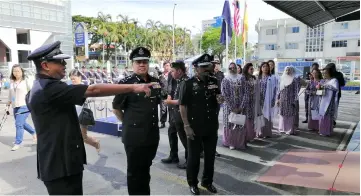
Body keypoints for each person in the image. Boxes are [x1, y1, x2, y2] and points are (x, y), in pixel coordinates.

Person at [26, 41, 153, 195]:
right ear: (45, 65)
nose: (65, 65)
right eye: (60, 62)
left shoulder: (38, 86)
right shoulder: (50, 88)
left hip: (57, 162)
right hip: (61, 165)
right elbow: (93, 89)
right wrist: (134, 87)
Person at [112, 46, 161, 195]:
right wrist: (127, 123)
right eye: (138, 61)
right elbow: (116, 108)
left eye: (145, 61)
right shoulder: (127, 83)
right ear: (132, 64)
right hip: (134, 137)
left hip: (151, 135)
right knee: (134, 173)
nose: (142, 64)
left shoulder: (155, 82)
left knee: (145, 170)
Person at [179, 54, 220, 195]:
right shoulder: (188, 84)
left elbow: (218, 98)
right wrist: (186, 126)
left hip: (211, 125)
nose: (206, 69)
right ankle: (193, 183)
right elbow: (182, 106)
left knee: (210, 157)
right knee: (194, 157)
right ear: (196, 68)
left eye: (207, 66)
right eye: (203, 67)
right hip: (194, 126)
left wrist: (220, 99)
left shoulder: (214, 81)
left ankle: (207, 182)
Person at [162, 61, 189, 169]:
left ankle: (189, 160)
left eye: (173, 71)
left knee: (185, 137)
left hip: (182, 113)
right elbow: (170, 89)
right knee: (171, 132)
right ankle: (173, 155)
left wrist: (169, 102)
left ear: (179, 71)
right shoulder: (178, 80)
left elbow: (182, 101)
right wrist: (169, 97)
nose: (171, 73)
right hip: (175, 112)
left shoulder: (185, 82)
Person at [69, 69, 100, 153]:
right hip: (72, 116)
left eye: (74, 78)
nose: (72, 81)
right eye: (71, 79)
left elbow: (93, 97)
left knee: (84, 137)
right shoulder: (70, 88)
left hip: (82, 116)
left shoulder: (85, 87)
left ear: (79, 77)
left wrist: (86, 99)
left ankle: (95, 143)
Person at [8, 64, 37, 151]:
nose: (16, 73)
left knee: (18, 124)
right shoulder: (12, 82)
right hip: (15, 105)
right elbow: (10, 94)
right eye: (14, 71)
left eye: (18, 71)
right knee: (21, 123)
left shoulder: (26, 81)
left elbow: (32, 92)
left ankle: (18, 143)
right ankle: (33, 132)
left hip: (24, 105)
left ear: (22, 72)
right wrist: (8, 104)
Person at [221, 62, 247, 150]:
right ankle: (230, 142)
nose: (232, 69)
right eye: (230, 68)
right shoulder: (225, 80)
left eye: (234, 67)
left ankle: (240, 142)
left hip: (240, 106)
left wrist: (241, 106)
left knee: (239, 124)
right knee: (230, 124)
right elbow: (224, 95)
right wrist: (233, 108)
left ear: (237, 68)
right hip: (229, 108)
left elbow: (245, 92)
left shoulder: (242, 78)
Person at [277, 66, 300, 135]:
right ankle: (282, 128)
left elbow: (296, 91)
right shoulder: (282, 79)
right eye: (286, 70)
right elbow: (279, 90)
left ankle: (289, 129)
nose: (288, 71)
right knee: (282, 113)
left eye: (289, 70)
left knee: (290, 114)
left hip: (291, 100)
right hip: (283, 99)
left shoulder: (294, 80)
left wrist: (295, 100)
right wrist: (278, 99)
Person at [318, 64, 339, 136]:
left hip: (329, 102)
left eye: (325, 73)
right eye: (323, 73)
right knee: (322, 115)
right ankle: (322, 131)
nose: (324, 74)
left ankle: (327, 132)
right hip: (323, 101)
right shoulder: (324, 81)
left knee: (327, 116)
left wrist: (326, 86)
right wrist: (319, 88)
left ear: (330, 73)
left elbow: (335, 88)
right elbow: (320, 91)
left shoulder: (334, 80)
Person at [258, 62, 277, 138]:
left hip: (268, 100)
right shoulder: (258, 78)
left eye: (267, 66)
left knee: (267, 116)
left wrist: (273, 100)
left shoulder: (272, 77)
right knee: (260, 116)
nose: (265, 68)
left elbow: (275, 89)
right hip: (260, 100)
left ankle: (267, 132)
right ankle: (260, 132)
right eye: (263, 66)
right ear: (261, 68)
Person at [240, 63, 257, 142]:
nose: (252, 70)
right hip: (245, 102)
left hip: (252, 102)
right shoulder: (243, 78)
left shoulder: (253, 78)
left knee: (251, 119)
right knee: (246, 119)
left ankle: (250, 136)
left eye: (253, 69)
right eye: (251, 69)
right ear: (247, 69)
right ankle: (246, 136)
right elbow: (241, 91)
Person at [159, 61, 171, 128]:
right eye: (166, 65)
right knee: (163, 109)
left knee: (171, 109)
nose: (167, 67)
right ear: (163, 66)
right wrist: (160, 92)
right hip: (163, 94)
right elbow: (158, 85)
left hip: (170, 95)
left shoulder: (172, 75)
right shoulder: (160, 76)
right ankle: (162, 122)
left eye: (169, 65)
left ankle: (171, 123)